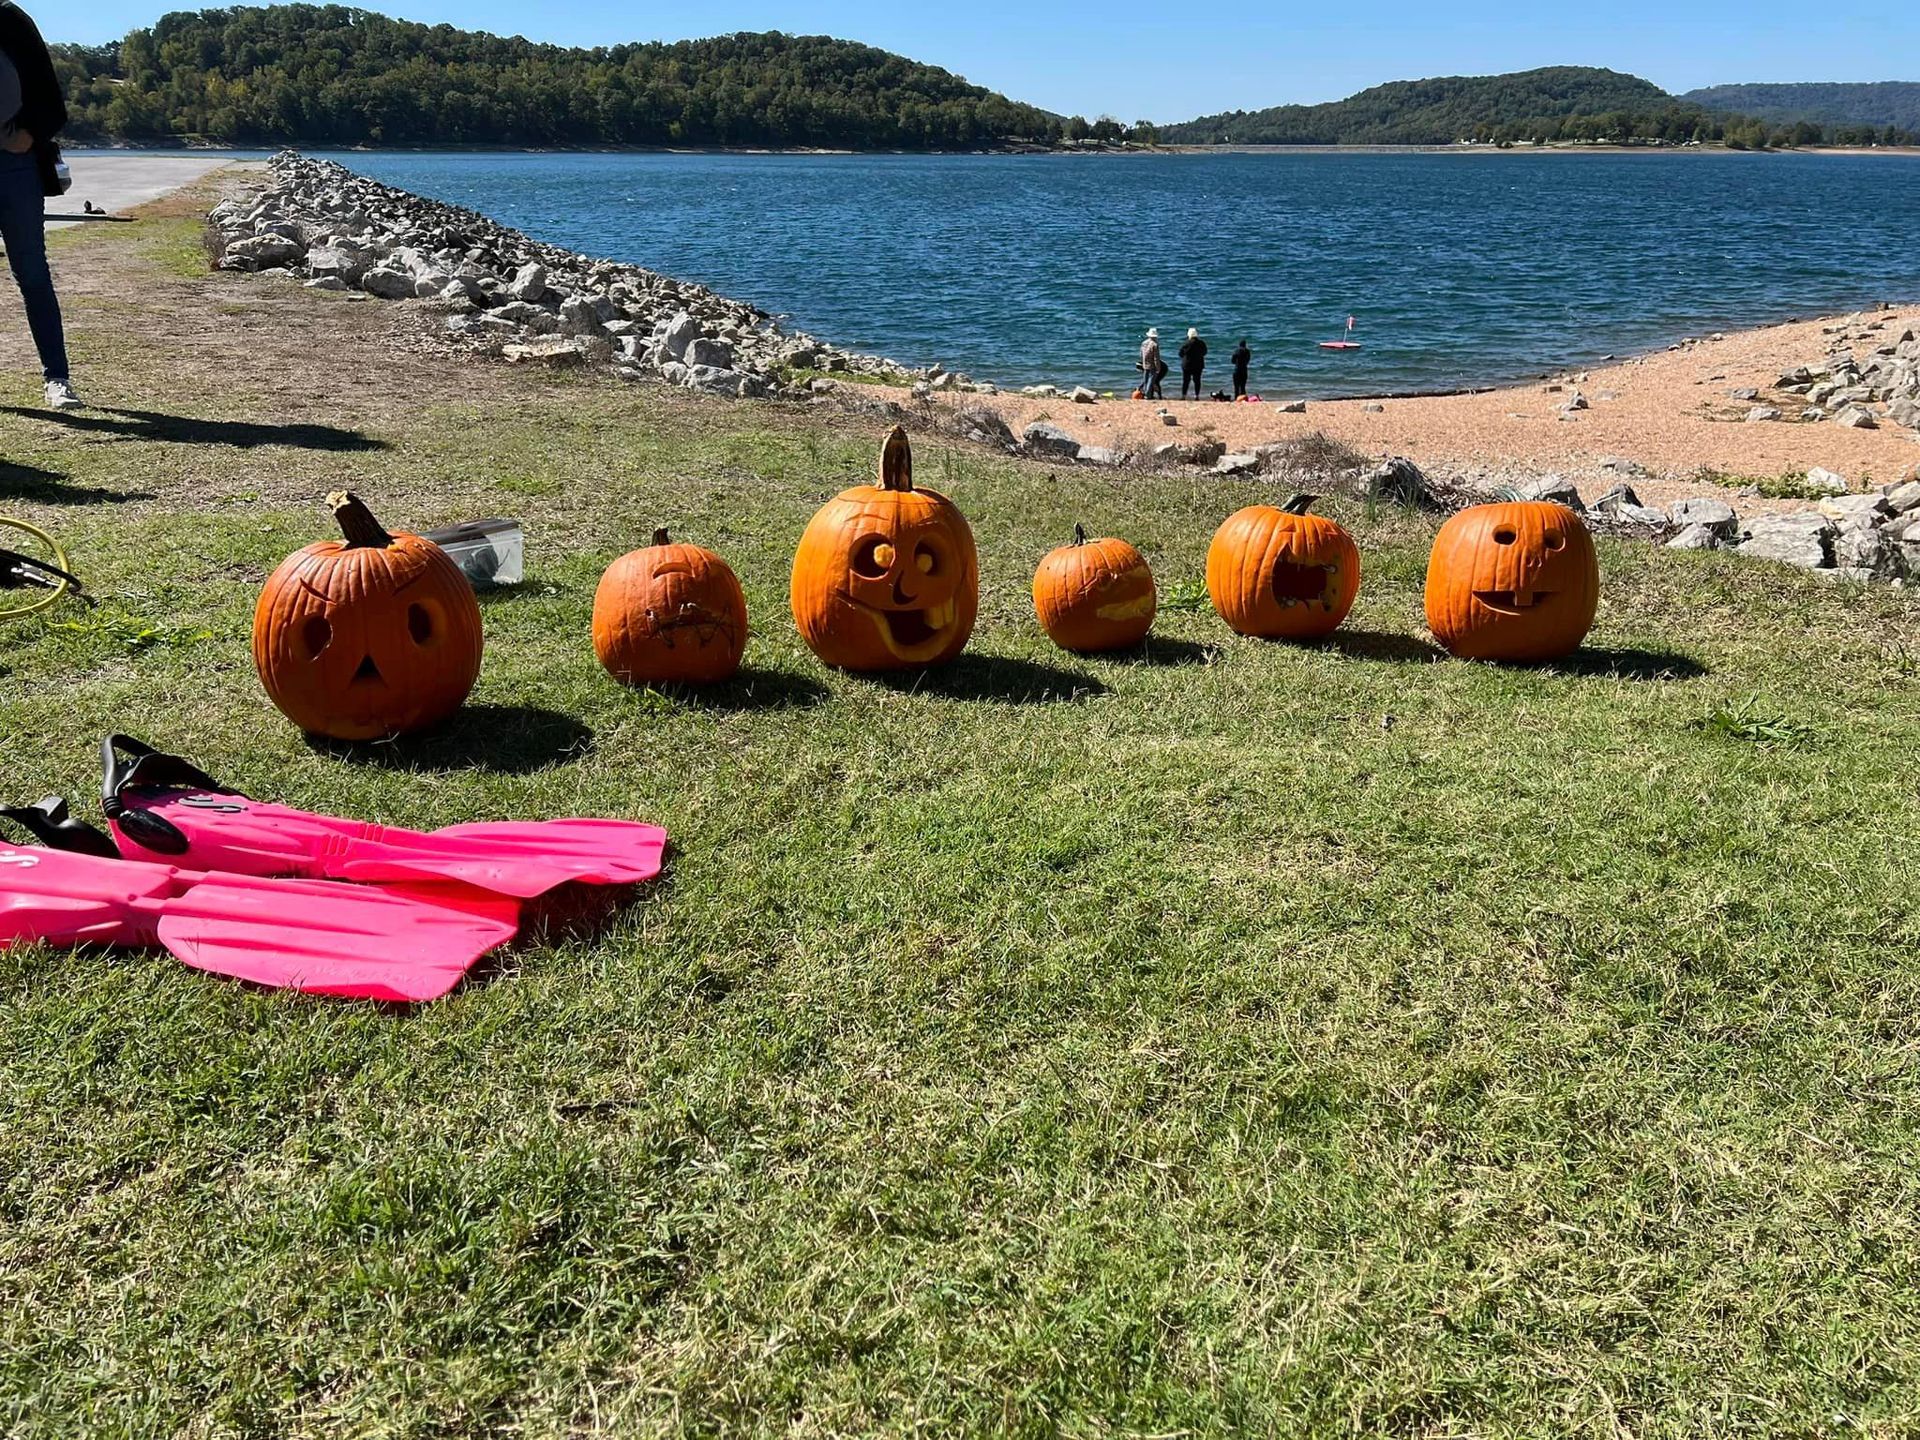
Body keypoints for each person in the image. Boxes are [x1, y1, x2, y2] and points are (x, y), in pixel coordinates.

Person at [0, 0, 79, 410]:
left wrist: (29, 134)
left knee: (32, 275)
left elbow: (50, 97)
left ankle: (57, 379)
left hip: (15, 166)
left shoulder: (10, 20)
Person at [1179, 327, 1207, 400]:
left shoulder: (1186, 343)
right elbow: (1205, 352)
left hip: (1187, 365)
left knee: (1186, 381)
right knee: (1197, 381)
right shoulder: (1201, 343)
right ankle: (1197, 396)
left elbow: (1180, 354)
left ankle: (1183, 396)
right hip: (1198, 365)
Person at [1137, 327, 1163, 400]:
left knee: (1145, 380)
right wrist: (1158, 367)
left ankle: (1145, 393)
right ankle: (1147, 395)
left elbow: (1141, 353)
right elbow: (1156, 358)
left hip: (1145, 363)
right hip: (1152, 365)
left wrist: (1142, 362)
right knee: (1151, 380)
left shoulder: (1144, 343)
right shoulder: (1155, 344)